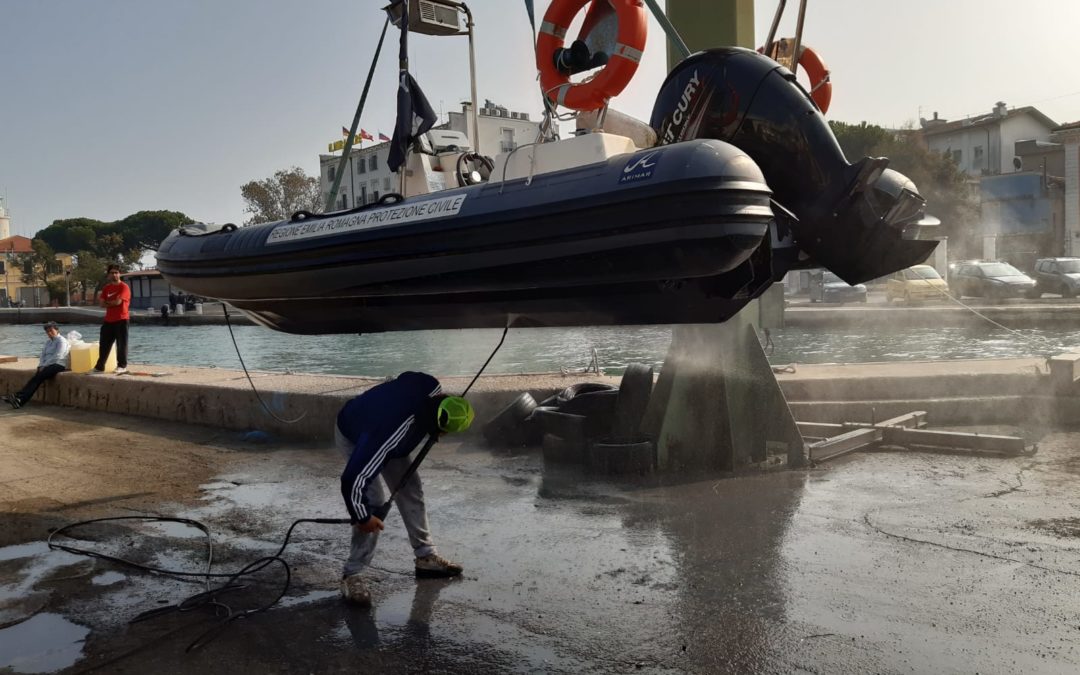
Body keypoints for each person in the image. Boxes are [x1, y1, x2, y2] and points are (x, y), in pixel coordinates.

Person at [335, 371, 475, 606]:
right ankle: (353, 574)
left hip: (387, 423)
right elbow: (352, 479)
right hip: (355, 431)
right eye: (442, 431)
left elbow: (406, 376)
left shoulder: (430, 386)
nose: (442, 436)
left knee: (411, 488)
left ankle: (425, 556)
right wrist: (362, 517)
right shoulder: (387, 435)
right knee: (373, 501)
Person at [3, 322, 70, 409]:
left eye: (51, 331)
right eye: (47, 332)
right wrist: (40, 365)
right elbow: (42, 355)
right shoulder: (48, 342)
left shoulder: (62, 341)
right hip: (47, 365)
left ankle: (19, 397)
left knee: (37, 378)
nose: (49, 333)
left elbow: (58, 355)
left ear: (57, 330)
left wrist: (44, 366)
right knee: (36, 379)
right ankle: (19, 399)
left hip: (58, 364)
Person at [93, 264, 130, 374]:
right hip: (108, 320)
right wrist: (111, 303)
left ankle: (122, 366)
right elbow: (101, 304)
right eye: (112, 272)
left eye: (116, 272)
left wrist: (107, 303)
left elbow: (118, 302)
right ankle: (99, 367)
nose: (114, 274)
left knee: (121, 344)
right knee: (104, 344)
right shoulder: (106, 288)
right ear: (108, 275)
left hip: (122, 319)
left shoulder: (124, 287)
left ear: (120, 274)